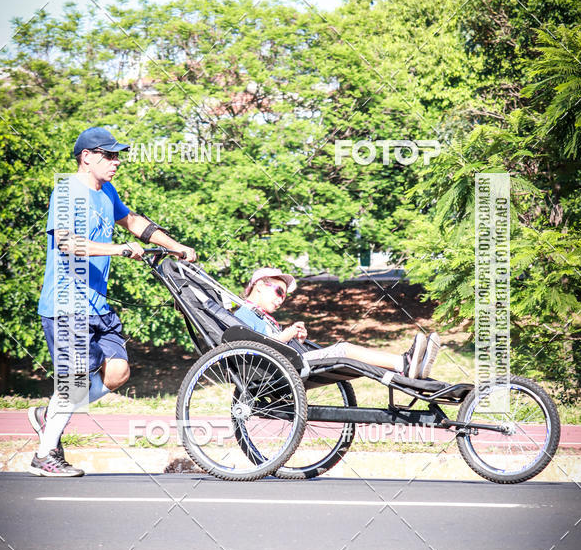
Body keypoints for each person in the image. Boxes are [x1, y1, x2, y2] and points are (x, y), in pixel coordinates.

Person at [29, 126, 197, 477]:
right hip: (66, 304)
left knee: (118, 372)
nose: (116, 162)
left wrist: (175, 246)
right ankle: (45, 457)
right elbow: (66, 243)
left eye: (117, 155)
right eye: (109, 155)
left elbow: (134, 221)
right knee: (74, 383)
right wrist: (118, 249)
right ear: (86, 157)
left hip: (96, 305)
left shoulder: (107, 191)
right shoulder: (66, 192)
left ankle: (49, 416)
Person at [234, 267, 440, 379]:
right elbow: (257, 349)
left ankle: (409, 366)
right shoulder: (245, 314)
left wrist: (297, 340)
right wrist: (284, 337)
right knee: (344, 349)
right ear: (260, 285)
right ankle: (403, 363)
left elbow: (271, 342)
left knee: (345, 352)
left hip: (290, 363)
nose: (281, 299)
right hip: (277, 370)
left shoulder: (260, 315)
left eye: (285, 296)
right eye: (279, 291)